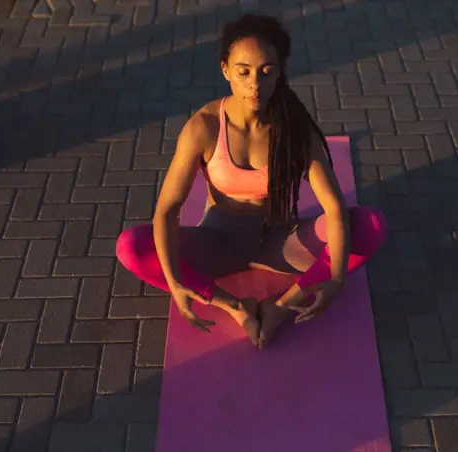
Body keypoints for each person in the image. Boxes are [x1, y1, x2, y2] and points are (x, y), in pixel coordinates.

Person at [116, 13, 387, 349]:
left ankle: (278, 307)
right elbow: (167, 210)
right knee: (131, 247)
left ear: (279, 72)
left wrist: (334, 279)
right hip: (218, 242)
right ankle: (238, 307)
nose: (255, 83)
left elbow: (334, 209)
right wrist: (177, 282)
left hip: (281, 241)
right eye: (243, 72)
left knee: (370, 226)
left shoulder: (294, 129)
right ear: (225, 70)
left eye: (267, 71)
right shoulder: (204, 127)